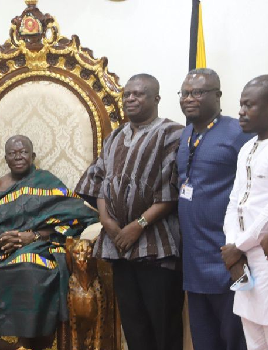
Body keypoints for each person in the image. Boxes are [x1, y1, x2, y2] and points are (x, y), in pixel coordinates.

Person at [0, 135, 98, 350]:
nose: (18, 157)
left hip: (33, 243)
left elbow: (77, 217)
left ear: (33, 156)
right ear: (6, 158)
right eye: (12, 153)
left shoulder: (48, 183)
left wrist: (32, 236)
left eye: (23, 152)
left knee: (28, 267)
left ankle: (22, 341)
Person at [76, 74, 184, 350]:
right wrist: (107, 222)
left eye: (139, 94)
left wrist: (138, 224)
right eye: (127, 95)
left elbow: (176, 190)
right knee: (133, 324)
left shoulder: (173, 134)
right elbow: (98, 182)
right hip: (119, 246)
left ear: (156, 99)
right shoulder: (114, 137)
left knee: (163, 325)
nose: (131, 99)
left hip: (156, 245)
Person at [176, 68, 249, 350]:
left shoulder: (238, 132)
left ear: (217, 95)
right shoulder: (186, 135)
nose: (189, 98)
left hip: (228, 259)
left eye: (197, 92)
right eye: (184, 93)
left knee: (235, 341)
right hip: (194, 263)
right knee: (204, 342)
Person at [222, 75, 268, 350]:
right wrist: (231, 245)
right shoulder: (247, 147)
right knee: (254, 340)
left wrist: (239, 246)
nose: (240, 112)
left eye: (249, 105)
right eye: (240, 105)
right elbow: (235, 200)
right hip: (241, 257)